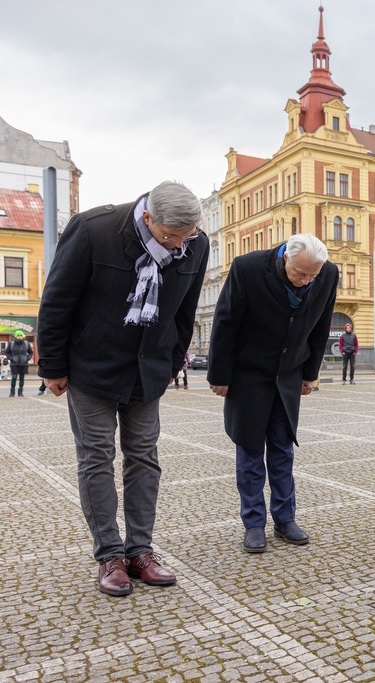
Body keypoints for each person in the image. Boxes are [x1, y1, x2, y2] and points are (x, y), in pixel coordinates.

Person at [36, 180, 209, 596]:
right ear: (147, 216)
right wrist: (54, 365)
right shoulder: (93, 229)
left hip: (147, 370)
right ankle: (109, 555)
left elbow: (185, 312)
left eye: (186, 237)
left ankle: (140, 551)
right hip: (91, 367)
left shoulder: (194, 244)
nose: (177, 246)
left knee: (144, 458)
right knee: (96, 457)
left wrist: (172, 362)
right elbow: (57, 301)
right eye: (170, 236)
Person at [208, 233, 338, 553]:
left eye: (312, 275)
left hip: (289, 374)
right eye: (299, 274)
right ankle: (254, 524)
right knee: (250, 450)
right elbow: (225, 323)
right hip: (248, 374)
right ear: (285, 258)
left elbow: (320, 326)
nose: (305, 281)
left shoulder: (328, 273)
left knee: (283, 450)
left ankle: (285, 519)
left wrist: (310, 374)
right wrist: (220, 375)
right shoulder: (247, 268)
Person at [5, 330, 32, 397]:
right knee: (14, 377)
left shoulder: (26, 343)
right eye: (18, 335)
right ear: (15, 336)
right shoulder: (11, 344)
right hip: (14, 364)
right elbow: (7, 352)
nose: (19, 337)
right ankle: (12, 392)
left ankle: (20, 392)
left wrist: (27, 358)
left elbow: (31, 352)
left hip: (24, 364)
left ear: (22, 336)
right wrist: (11, 359)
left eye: (20, 335)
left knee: (22, 378)